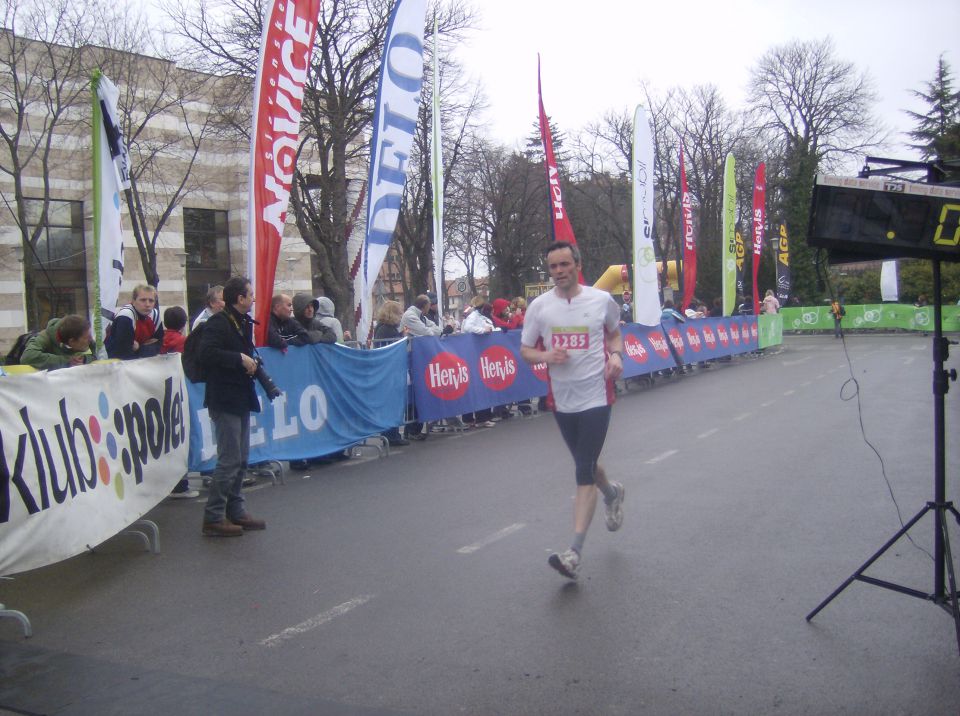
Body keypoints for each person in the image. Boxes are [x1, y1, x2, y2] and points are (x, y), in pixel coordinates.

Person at [520, 241, 626, 580]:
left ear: (577, 264)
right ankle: (612, 493)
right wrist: (545, 357)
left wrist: (616, 357)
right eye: (553, 267)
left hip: (597, 395)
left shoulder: (600, 301)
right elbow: (525, 350)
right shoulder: (540, 307)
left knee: (582, 470)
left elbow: (615, 335)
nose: (559, 271)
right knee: (587, 463)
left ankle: (573, 553)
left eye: (565, 264)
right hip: (562, 399)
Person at [198, 276, 266, 537]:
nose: (253, 299)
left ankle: (236, 510)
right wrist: (239, 358)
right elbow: (207, 354)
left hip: (239, 395)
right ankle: (213, 516)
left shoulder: (241, 322)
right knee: (229, 460)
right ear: (240, 298)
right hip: (224, 398)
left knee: (242, 458)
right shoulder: (218, 322)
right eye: (250, 294)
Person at [159, 305, 199, 499]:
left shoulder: (159, 339)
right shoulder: (182, 341)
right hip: (177, 393)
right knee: (179, 436)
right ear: (184, 323)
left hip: (159, 393)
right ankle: (180, 484)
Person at [373, 300, 410, 446]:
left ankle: (391, 434)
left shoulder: (382, 328)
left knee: (390, 402)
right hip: (389, 371)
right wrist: (404, 337)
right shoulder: (387, 329)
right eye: (399, 313)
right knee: (391, 403)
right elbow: (395, 346)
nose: (401, 316)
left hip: (387, 370)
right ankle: (391, 435)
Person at [105, 284, 164, 359]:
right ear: (133, 301)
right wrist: (147, 346)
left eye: (151, 301)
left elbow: (159, 345)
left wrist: (139, 347)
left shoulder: (155, 314)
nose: (147, 304)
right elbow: (123, 352)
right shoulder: (125, 316)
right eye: (143, 300)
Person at [20, 314, 94, 371]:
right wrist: (67, 361)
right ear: (72, 341)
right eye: (87, 338)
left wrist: (84, 359)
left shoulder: (84, 335)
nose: (91, 339)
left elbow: (98, 355)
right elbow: (27, 357)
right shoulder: (44, 338)